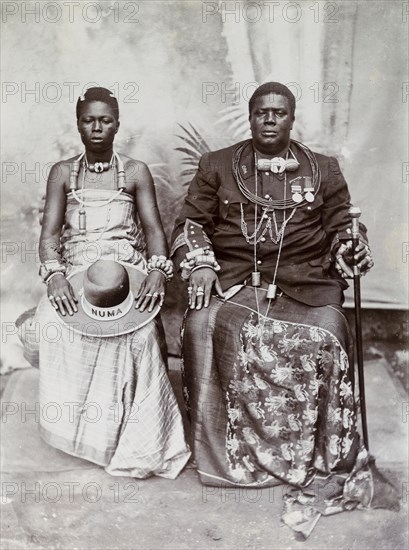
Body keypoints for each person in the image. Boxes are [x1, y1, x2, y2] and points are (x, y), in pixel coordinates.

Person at [171, 82, 397, 536]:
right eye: (261, 112)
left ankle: (318, 455)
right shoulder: (217, 164)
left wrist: (350, 245)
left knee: (329, 333)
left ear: (292, 119)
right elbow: (191, 221)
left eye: (279, 113)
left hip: (304, 284)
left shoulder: (323, 169)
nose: (270, 120)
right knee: (201, 324)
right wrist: (198, 263)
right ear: (250, 116)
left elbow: (344, 224)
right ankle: (222, 458)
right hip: (235, 282)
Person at [19, 87, 190, 479]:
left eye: (105, 120)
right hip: (78, 273)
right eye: (88, 120)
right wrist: (56, 275)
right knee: (49, 325)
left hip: (125, 271)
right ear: (78, 124)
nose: (96, 128)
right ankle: (82, 434)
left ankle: (134, 439)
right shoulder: (62, 172)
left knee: (140, 339)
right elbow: (49, 235)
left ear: (117, 123)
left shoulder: (135, 171)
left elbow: (153, 230)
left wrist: (157, 272)